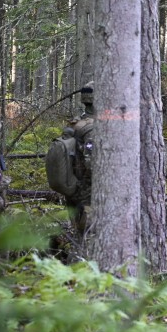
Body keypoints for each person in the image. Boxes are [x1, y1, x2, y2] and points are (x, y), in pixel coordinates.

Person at [66, 81, 95, 233]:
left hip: (73, 186)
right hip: (88, 191)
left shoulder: (76, 122)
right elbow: (91, 163)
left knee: (77, 230)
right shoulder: (92, 128)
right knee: (88, 234)